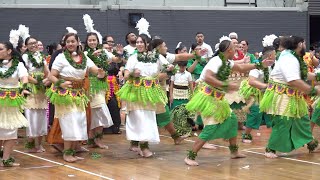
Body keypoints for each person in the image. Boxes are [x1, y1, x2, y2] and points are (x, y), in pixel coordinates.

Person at [184, 38, 273, 166]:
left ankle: (234, 152)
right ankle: (190, 157)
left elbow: (241, 67)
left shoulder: (227, 62)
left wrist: (260, 65)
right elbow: (208, 77)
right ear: (229, 50)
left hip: (219, 98)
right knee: (210, 127)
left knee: (232, 121)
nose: (236, 49)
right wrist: (226, 85)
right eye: (234, 47)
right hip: (208, 98)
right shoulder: (217, 61)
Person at [47, 33, 106, 162]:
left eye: (73, 41)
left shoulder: (84, 58)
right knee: (69, 122)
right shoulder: (61, 58)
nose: (70, 44)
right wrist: (60, 83)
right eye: (68, 42)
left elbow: (95, 70)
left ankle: (72, 151)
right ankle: (67, 153)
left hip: (79, 94)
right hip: (64, 94)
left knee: (79, 121)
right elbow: (51, 76)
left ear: (78, 42)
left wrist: (101, 73)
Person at [260, 36, 320, 158]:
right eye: (303, 43)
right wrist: (313, 91)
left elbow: (302, 74)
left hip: (293, 95)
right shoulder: (289, 58)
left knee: (302, 120)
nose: (305, 46)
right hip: (282, 94)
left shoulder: (292, 57)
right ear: (299, 44)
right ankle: (270, 149)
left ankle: (311, 144)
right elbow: (293, 80)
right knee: (283, 122)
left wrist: (317, 76)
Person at [0, 42, 29, 167]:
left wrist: (23, 87)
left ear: (9, 51)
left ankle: (5, 159)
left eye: (0, 49)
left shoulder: (19, 65)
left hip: (12, 101)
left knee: (11, 131)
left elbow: (24, 78)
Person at [239, 46, 276, 143]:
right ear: (270, 55)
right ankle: (246, 135)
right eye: (275, 54)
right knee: (255, 112)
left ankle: (275, 136)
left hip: (264, 91)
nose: (276, 56)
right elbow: (251, 81)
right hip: (253, 92)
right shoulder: (257, 66)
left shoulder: (272, 65)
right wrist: (266, 86)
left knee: (271, 112)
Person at [22, 37, 50, 153]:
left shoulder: (41, 57)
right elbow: (24, 74)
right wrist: (37, 82)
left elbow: (47, 72)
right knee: (31, 116)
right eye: (30, 44)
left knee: (41, 116)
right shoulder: (25, 57)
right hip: (30, 87)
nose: (33, 45)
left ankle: (39, 144)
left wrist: (46, 81)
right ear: (27, 46)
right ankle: (31, 144)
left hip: (41, 89)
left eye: (35, 43)